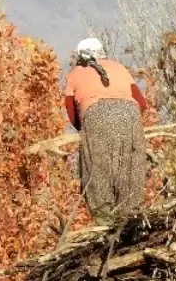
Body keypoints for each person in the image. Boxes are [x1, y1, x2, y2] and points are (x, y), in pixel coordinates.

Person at [63, 38, 149, 223]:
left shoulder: (75, 74)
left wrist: (86, 129)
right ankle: (131, 224)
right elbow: (141, 103)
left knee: (97, 177)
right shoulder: (119, 67)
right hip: (130, 117)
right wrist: (126, 119)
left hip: (95, 118)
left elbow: (71, 111)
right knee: (129, 174)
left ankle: (106, 227)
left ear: (81, 57)